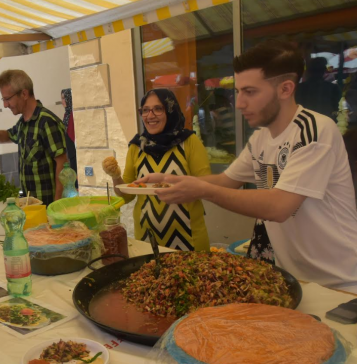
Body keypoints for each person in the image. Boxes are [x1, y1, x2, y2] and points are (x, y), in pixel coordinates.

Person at [139, 40, 357, 291]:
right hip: (297, 277)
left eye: (250, 92)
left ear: (285, 89)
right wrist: (170, 180)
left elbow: (279, 207)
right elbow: (225, 181)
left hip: (341, 283)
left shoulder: (315, 130)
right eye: (239, 91)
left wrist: (200, 190)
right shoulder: (261, 137)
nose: (239, 103)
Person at [104, 89, 211, 251]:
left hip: (189, 239)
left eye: (158, 109)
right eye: (145, 110)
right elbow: (126, 195)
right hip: (147, 240)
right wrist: (116, 176)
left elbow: (207, 187)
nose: (150, 115)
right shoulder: (136, 146)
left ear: (170, 111)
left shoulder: (189, 142)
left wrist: (177, 187)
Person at [0, 70, 68, 206]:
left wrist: (58, 204)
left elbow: (63, 164)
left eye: (7, 99)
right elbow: (8, 135)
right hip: (32, 206)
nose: (5, 105)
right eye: (3, 100)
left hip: (48, 206)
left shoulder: (46, 122)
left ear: (24, 94)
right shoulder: (24, 122)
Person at [295, 57, 341, 121]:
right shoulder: (333, 88)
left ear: (308, 71)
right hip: (326, 123)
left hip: (303, 123)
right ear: (324, 71)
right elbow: (336, 109)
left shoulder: (298, 88)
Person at [61, 88, 78, 189]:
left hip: (74, 151)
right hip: (69, 150)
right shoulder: (66, 114)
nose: (62, 101)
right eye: (62, 98)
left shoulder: (73, 114)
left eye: (64, 98)